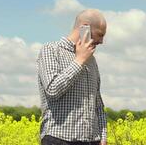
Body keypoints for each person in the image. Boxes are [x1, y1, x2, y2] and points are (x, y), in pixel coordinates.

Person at [37, 9, 107, 145]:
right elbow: (52, 90)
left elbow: (97, 102)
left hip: (92, 141)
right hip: (59, 139)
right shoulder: (51, 50)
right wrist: (79, 60)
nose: (101, 41)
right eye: (100, 34)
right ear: (84, 27)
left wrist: (103, 136)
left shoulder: (92, 60)